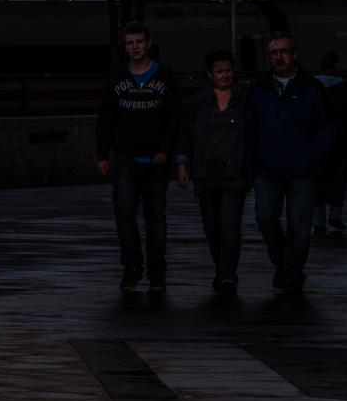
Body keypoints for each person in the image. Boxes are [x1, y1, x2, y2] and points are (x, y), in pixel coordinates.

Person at [95, 21, 182, 292]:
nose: (134, 47)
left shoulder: (165, 76)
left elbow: (175, 118)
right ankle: (132, 267)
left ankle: (157, 271)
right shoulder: (117, 79)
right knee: (124, 216)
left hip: (156, 161)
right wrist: (102, 154)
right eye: (130, 42)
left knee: (156, 218)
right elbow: (106, 118)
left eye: (139, 42)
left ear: (149, 43)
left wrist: (165, 150)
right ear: (126, 46)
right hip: (125, 160)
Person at [244, 31, 333, 295]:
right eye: (274, 52)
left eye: (283, 52)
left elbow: (326, 126)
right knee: (265, 217)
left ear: (294, 54)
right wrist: (249, 167)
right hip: (266, 168)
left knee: (299, 225)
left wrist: (313, 156)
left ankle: (292, 274)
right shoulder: (260, 90)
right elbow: (250, 130)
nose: (278, 57)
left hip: (301, 168)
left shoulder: (312, 88)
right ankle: (284, 264)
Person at [175, 49, 251, 294]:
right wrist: (182, 166)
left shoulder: (246, 100)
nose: (225, 75)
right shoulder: (197, 103)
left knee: (229, 225)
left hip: (235, 174)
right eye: (219, 71)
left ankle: (228, 275)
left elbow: (255, 135)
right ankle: (221, 270)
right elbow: (186, 136)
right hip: (205, 174)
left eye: (228, 70)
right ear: (210, 73)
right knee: (211, 227)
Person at [313, 52, 347, 234]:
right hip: (340, 140)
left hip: (317, 141)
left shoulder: (312, 86)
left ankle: (318, 220)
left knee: (316, 179)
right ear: (336, 65)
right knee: (339, 177)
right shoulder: (344, 87)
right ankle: (335, 215)